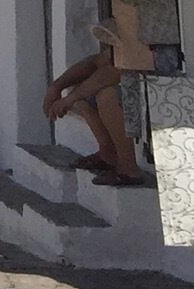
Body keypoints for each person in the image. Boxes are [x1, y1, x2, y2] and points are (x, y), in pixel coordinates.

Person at [43, 34, 142, 183]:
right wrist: (56, 86)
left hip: (157, 98)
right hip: (138, 95)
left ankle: (128, 168)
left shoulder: (145, 41)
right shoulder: (122, 43)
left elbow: (115, 71)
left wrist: (70, 99)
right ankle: (108, 154)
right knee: (80, 92)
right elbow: (95, 62)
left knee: (107, 96)